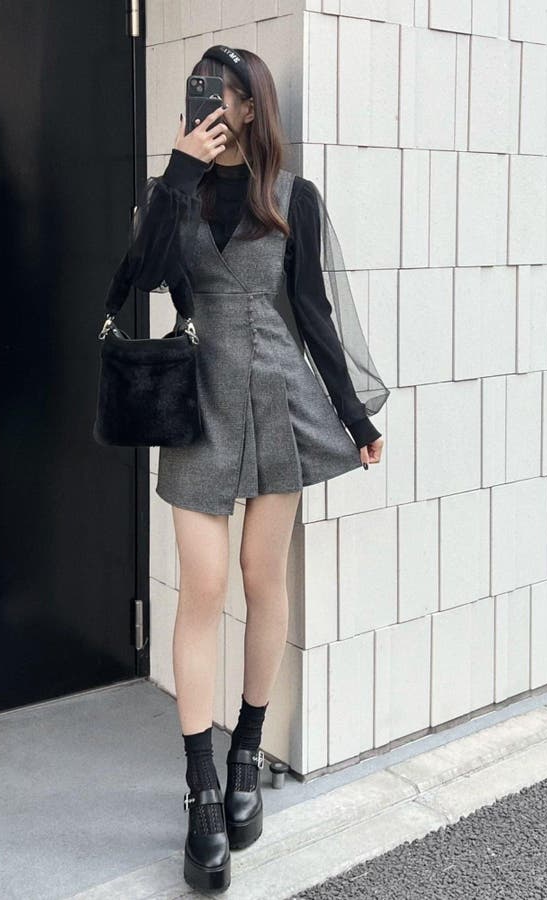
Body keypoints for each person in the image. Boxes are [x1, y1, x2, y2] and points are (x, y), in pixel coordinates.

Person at [108, 45, 389, 892]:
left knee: (264, 583)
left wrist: (353, 415)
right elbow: (138, 282)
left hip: (278, 404)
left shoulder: (293, 196)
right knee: (202, 589)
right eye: (205, 92)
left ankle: (246, 754)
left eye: (230, 94)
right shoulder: (171, 190)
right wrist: (175, 171)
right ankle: (201, 790)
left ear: (256, 106)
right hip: (196, 408)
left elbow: (313, 313)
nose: (216, 106)